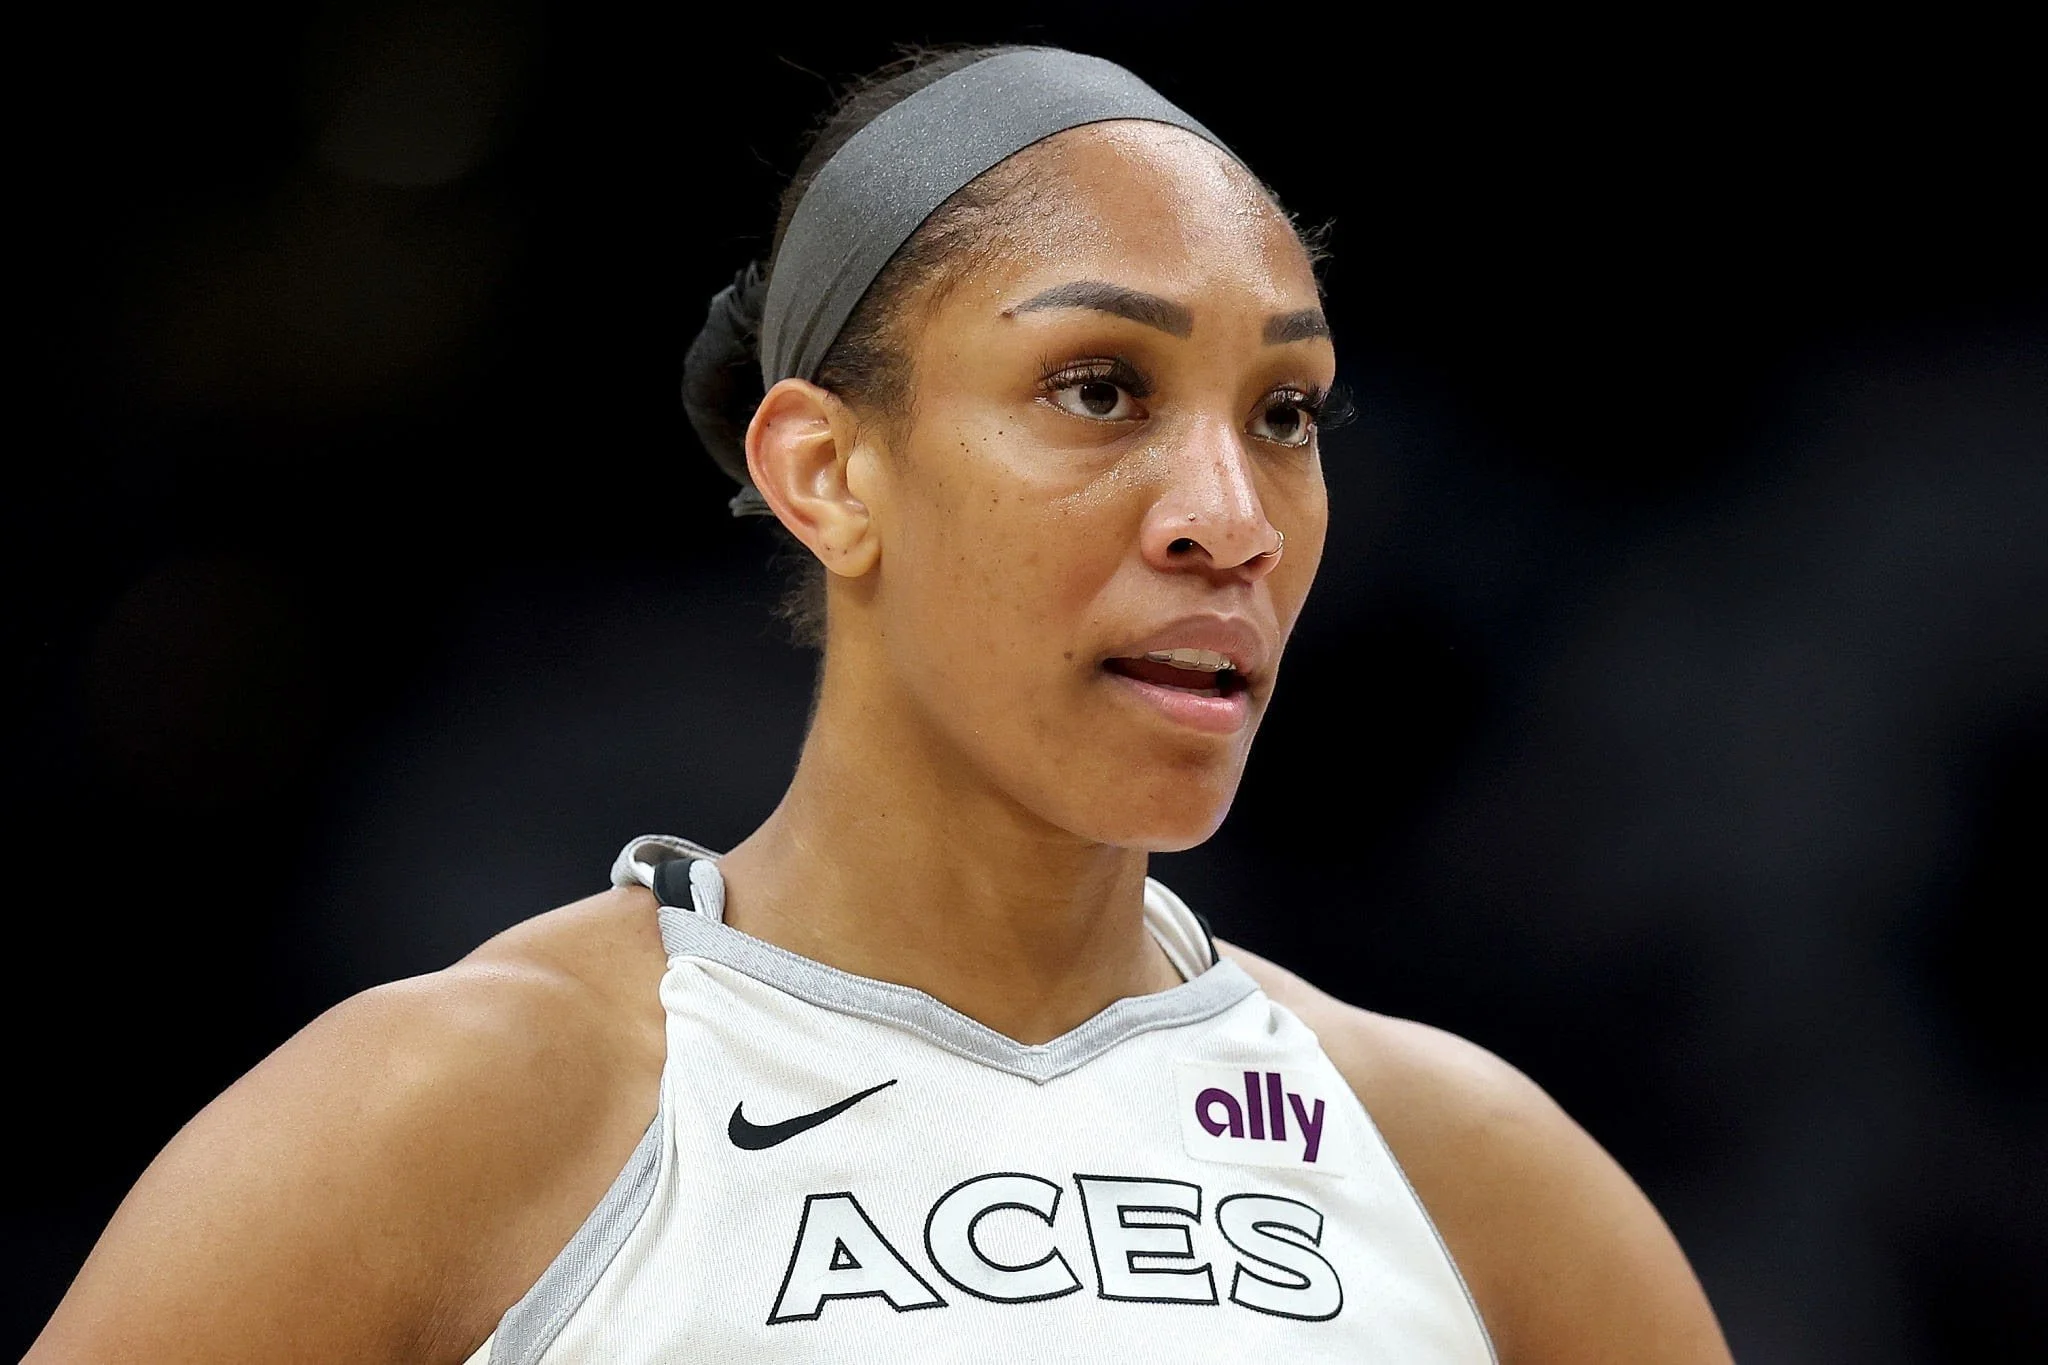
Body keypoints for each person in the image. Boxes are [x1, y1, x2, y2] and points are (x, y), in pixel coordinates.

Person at [30, 45, 1732, 1363]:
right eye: (1099, 388)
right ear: (827, 473)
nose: (1230, 516)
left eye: (1286, 414)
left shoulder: (1466, 1168)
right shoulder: (455, 1111)